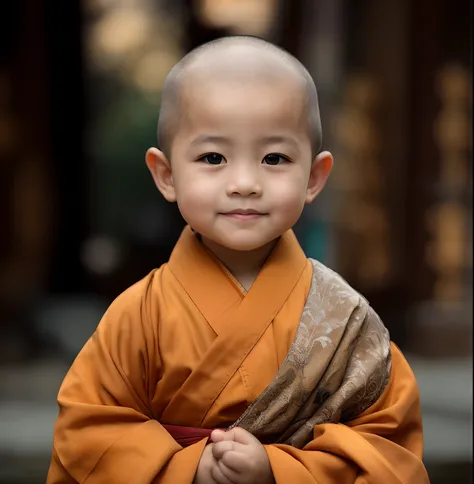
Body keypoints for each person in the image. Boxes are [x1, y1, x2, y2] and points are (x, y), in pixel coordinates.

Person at [46, 36, 429, 484]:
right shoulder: (138, 314)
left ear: (315, 177)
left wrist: (281, 470)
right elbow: (88, 432)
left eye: (274, 158)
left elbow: (388, 446)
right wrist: (186, 467)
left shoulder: (344, 320)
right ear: (166, 175)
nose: (244, 182)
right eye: (213, 157)